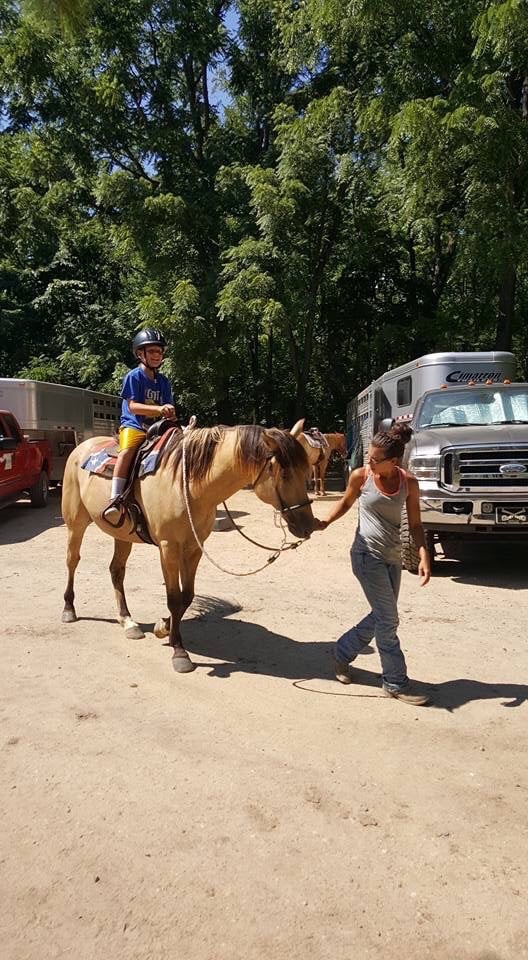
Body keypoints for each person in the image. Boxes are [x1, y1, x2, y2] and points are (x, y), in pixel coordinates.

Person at [312, 423, 431, 706]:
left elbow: (415, 524)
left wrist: (424, 553)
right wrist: (325, 522)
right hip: (366, 556)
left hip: (393, 558)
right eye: (369, 456)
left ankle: (342, 652)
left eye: (376, 459)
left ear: (394, 461)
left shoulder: (408, 483)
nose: (370, 462)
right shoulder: (361, 476)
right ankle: (395, 682)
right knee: (388, 620)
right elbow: (345, 503)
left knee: (381, 616)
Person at [102, 329, 175, 524]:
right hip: (134, 425)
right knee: (126, 452)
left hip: (157, 427)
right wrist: (159, 409)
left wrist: (169, 412)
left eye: (159, 352)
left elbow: (168, 405)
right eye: (152, 351)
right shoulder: (133, 376)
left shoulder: (164, 381)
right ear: (140, 354)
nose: (156, 355)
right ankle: (115, 499)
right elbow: (133, 407)